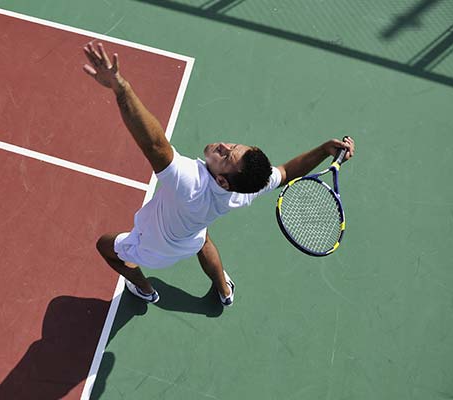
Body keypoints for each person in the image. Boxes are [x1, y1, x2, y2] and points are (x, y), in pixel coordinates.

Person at [83, 42, 355, 306]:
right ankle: (224, 290)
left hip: (153, 248)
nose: (223, 146)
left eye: (226, 156)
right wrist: (323, 150)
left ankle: (144, 289)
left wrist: (121, 88)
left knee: (104, 247)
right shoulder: (249, 185)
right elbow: (284, 172)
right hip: (191, 238)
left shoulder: (191, 183)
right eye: (233, 146)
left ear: (223, 179)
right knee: (203, 239)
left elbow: (155, 145)